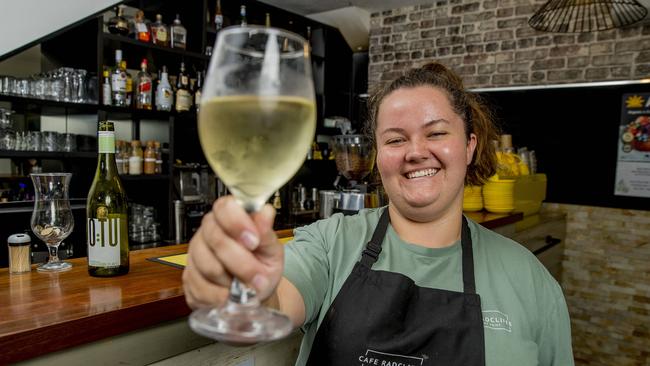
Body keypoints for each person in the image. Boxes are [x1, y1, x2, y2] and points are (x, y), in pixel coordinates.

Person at [183, 62, 574, 366]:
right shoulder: (331, 242)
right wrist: (240, 289)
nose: (415, 151)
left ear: (470, 146)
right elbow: (275, 301)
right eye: (395, 139)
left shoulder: (530, 281)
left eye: (436, 133)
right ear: (378, 155)